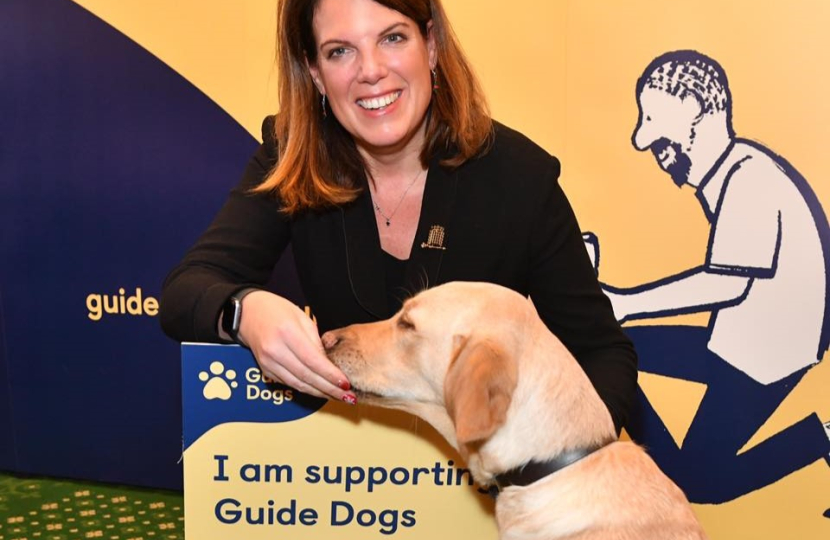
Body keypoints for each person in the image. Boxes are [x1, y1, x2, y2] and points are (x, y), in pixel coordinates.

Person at [160, 0, 637, 435]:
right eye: (340, 51)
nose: (371, 71)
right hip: (347, 485)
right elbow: (187, 291)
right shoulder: (293, 156)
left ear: (430, 46)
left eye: (392, 38)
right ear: (315, 73)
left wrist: (550, 464)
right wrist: (246, 312)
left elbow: (602, 355)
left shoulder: (518, 176)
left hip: (480, 492)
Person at [602, 50, 830, 506]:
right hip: (737, 337)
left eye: (653, 119)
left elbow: (726, 283)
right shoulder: (729, 173)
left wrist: (625, 303)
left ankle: (821, 437)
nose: (644, 141)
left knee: (698, 484)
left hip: (767, 352)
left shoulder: (748, 178)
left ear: (693, 108)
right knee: (613, 348)